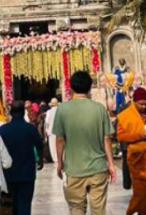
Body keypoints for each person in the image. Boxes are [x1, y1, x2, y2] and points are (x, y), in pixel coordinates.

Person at [54, 71, 116, 215]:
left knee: (76, 208)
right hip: (98, 168)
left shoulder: (62, 109)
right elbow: (106, 138)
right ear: (89, 88)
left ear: (71, 87)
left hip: (74, 169)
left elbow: (60, 139)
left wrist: (59, 163)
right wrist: (111, 164)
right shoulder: (99, 108)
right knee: (98, 210)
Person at [0, 100, 45, 215]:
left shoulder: (3, 130)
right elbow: (40, 145)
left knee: (10, 205)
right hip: (27, 174)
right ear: (24, 113)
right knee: (24, 205)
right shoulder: (30, 129)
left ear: (11, 113)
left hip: (9, 174)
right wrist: (40, 159)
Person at [44, 97, 60, 163]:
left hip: (51, 131)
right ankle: (60, 158)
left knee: (53, 146)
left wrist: (46, 131)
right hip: (59, 130)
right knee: (59, 145)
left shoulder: (49, 112)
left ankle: (55, 160)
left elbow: (47, 122)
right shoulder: (60, 111)